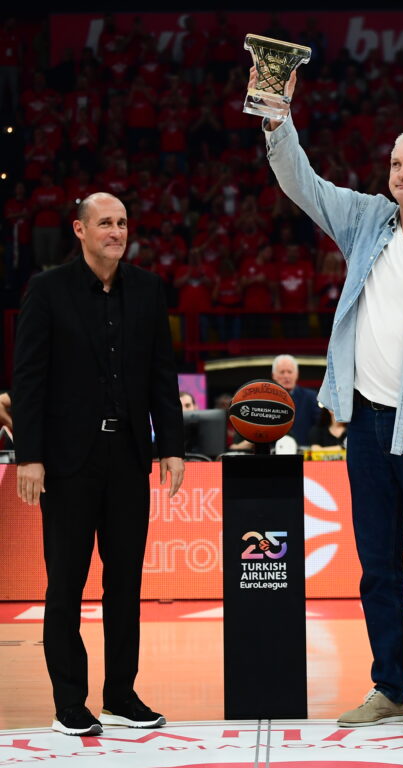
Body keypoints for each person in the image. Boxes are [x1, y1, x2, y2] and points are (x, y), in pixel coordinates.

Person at [258, 68, 403, 732]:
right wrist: (277, 117)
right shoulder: (365, 220)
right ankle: (388, 685)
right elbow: (302, 183)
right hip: (363, 423)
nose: (402, 173)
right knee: (376, 568)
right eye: (396, 163)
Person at [12, 192, 185, 737]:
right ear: (79, 230)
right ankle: (69, 702)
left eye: (122, 223)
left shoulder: (148, 289)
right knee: (66, 583)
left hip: (128, 457)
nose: (116, 231)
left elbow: (162, 375)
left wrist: (172, 446)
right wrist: (29, 456)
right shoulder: (47, 290)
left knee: (125, 584)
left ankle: (120, 696)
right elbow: (29, 379)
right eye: (105, 222)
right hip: (68, 463)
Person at [230, 354, 321, 449]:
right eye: (282, 372)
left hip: (301, 451)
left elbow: (321, 426)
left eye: (290, 372)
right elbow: (235, 445)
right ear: (274, 375)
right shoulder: (259, 398)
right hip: (269, 452)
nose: (286, 376)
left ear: (297, 374)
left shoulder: (311, 397)